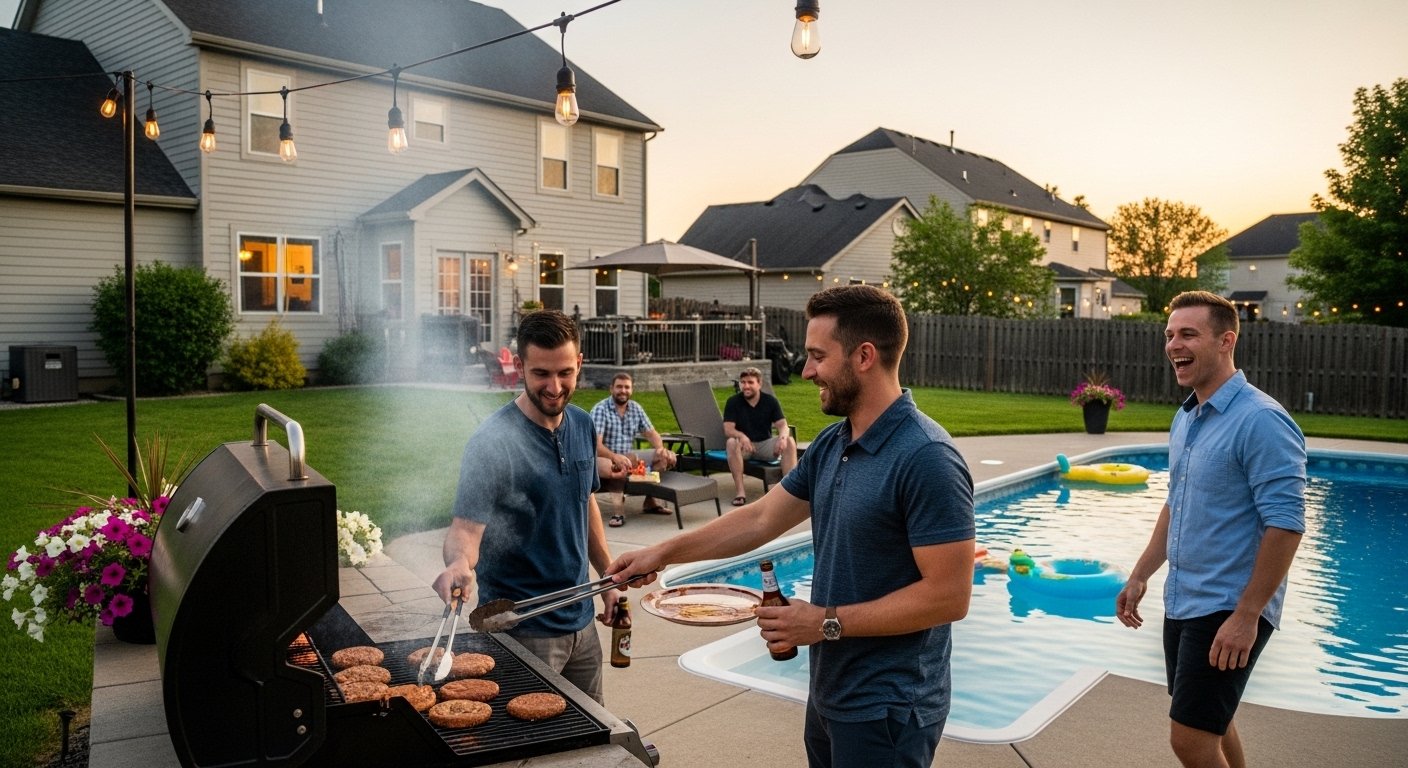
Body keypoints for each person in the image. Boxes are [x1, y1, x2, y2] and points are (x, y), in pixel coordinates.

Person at [607, 285, 975, 768]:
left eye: (818, 356)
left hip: (889, 707)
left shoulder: (927, 458)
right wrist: (664, 552)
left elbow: (949, 596)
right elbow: (761, 517)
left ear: (864, 356)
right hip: (832, 692)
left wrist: (824, 622)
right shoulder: (833, 442)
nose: (806, 371)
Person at [1117, 290, 1306, 768]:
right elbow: (1175, 504)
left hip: (1227, 606)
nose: (1173, 344)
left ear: (1226, 340)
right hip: (1185, 599)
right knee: (1212, 724)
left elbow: (1285, 523)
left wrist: (1247, 615)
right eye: (1169, 335)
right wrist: (1141, 573)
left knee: (1191, 740)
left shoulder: (1261, 420)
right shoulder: (1188, 417)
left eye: (1187, 334)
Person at [432, 310, 620, 704]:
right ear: (519, 366)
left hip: (582, 621)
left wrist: (607, 580)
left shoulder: (583, 426)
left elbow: (585, 503)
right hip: (522, 630)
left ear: (579, 363)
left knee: (593, 735)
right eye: (541, 374)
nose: (554, 387)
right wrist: (458, 565)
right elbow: (466, 530)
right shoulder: (492, 442)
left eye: (565, 373)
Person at [590, 371, 677, 527]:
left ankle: (650, 500)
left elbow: (651, 433)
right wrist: (615, 457)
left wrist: (661, 449)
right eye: (619, 387)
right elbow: (595, 445)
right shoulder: (600, 409)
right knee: (619, 466)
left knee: (662, 458)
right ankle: (619, 512)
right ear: (611, 389)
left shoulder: (636, 408)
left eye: (627, 387)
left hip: (629, 459)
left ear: (632, 390)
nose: (623, 391)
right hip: (602, 460)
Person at [722, 366, 798, 506]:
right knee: (731, 442)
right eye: (743, 382)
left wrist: (781, 438)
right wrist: (742, 436)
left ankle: (790, 493)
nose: (746, 386)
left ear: (759, 384)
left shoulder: (770, 401)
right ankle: (740, 492)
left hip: (764, 445)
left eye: (750, 382)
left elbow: (782, 425)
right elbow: (728, 429)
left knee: (789, 441)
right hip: (744, 448)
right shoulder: (733, 402)